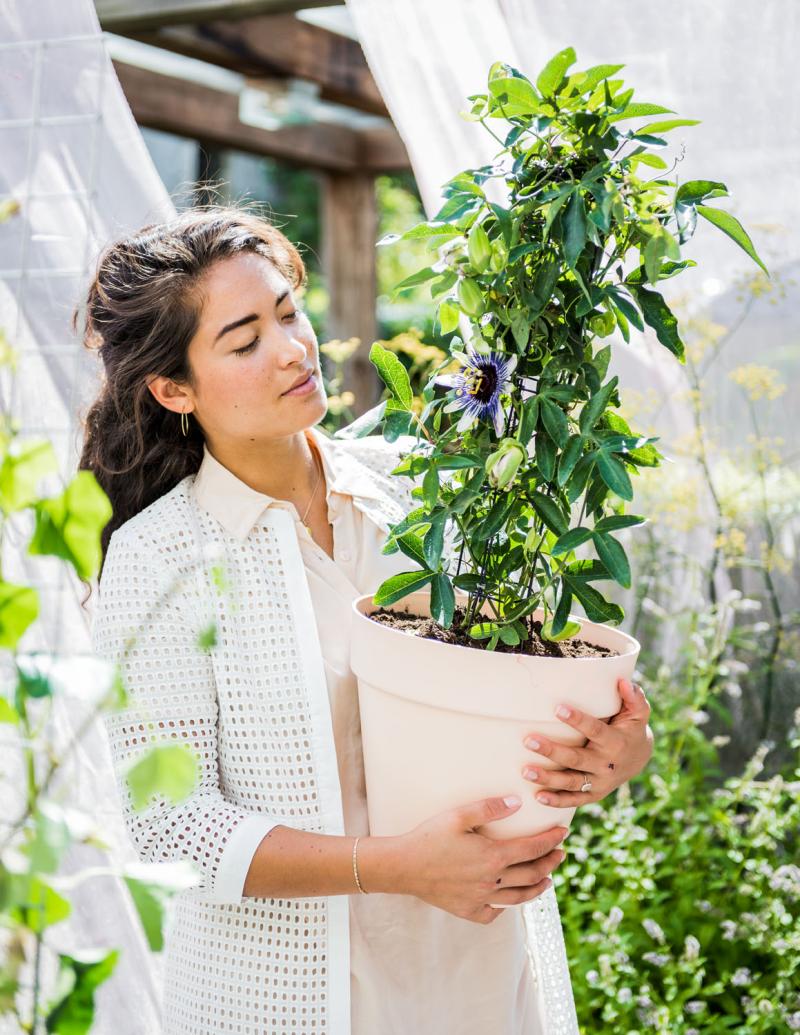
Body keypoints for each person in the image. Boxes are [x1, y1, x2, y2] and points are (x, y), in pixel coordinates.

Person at [81, 205, 653, 1035]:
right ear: (173, 388)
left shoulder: (425, 488)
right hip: (295, 999)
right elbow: (169, 822)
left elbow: (525, 677)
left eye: (288, 312)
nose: (290, 348)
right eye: (242, 342)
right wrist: (396, 868)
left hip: (481, 973)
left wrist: (613, 747)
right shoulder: (158, 557)